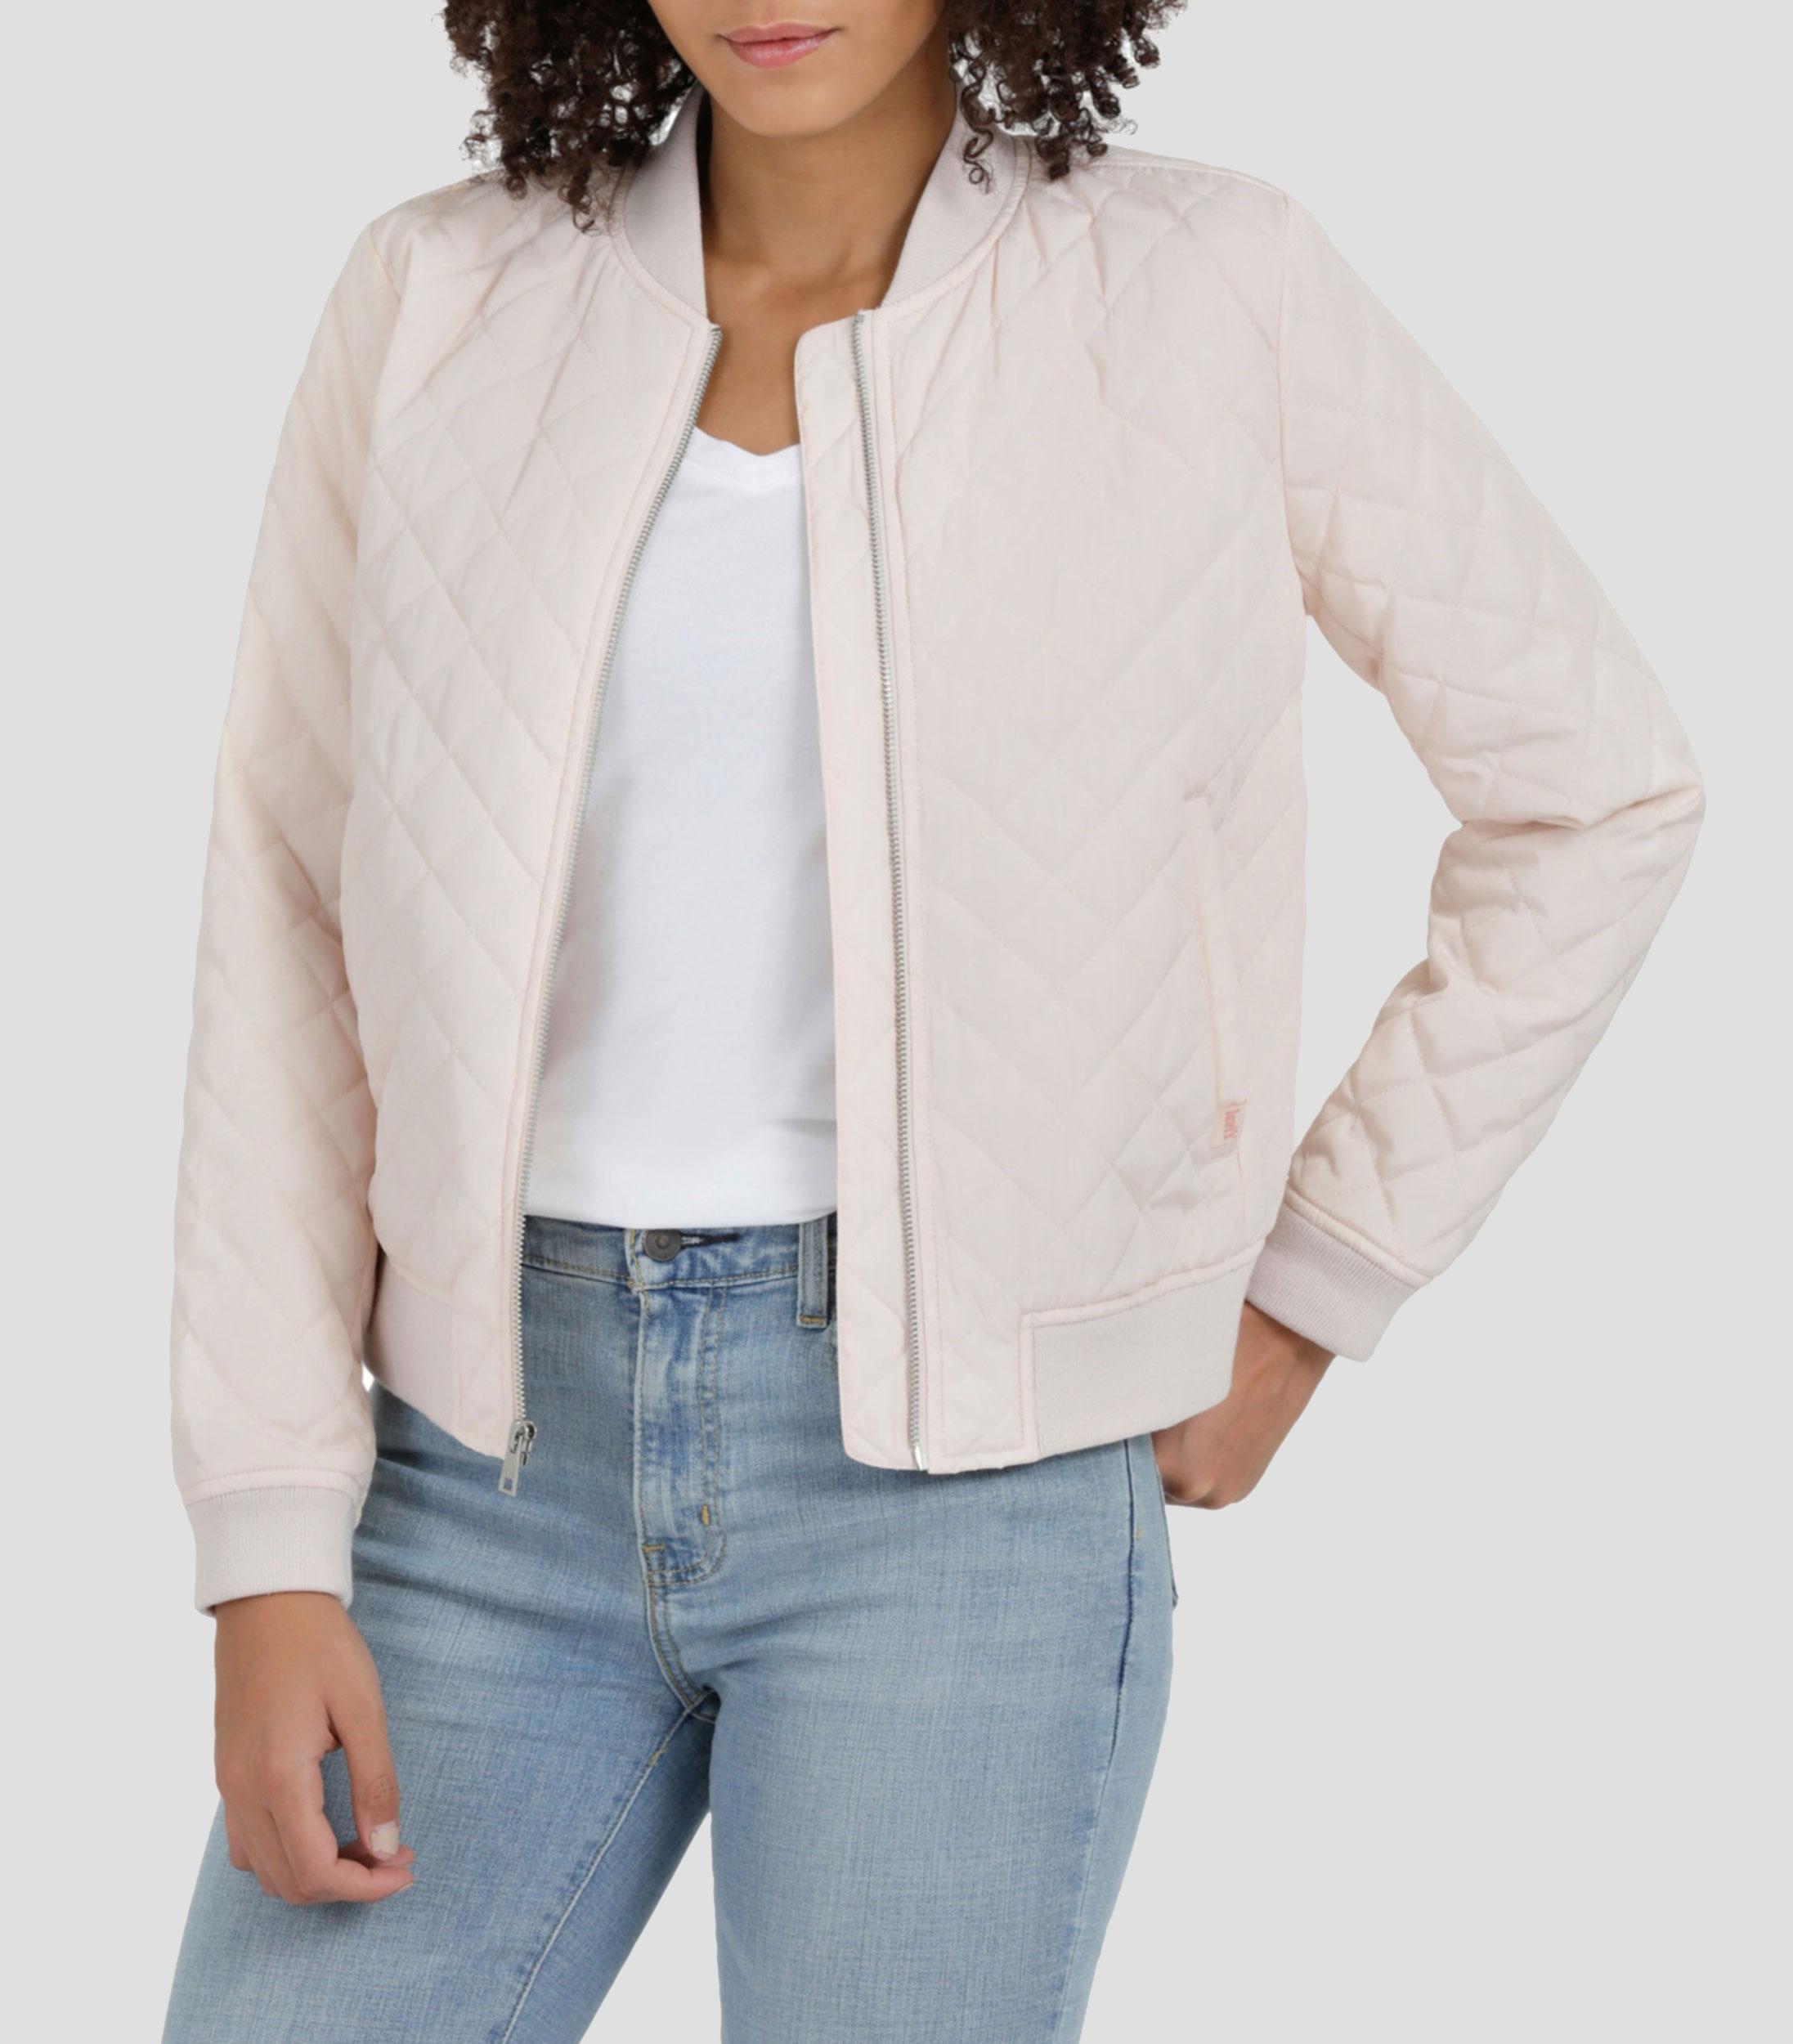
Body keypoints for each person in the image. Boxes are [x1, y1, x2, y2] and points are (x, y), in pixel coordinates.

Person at [159, 0, 1705, 2037]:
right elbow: (285, 899)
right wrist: (268, 1540)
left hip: (967, 1497)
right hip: (479, 1463)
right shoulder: (437, 295)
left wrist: (1318, 1280)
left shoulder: (1205, 288)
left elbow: (1594, 787)